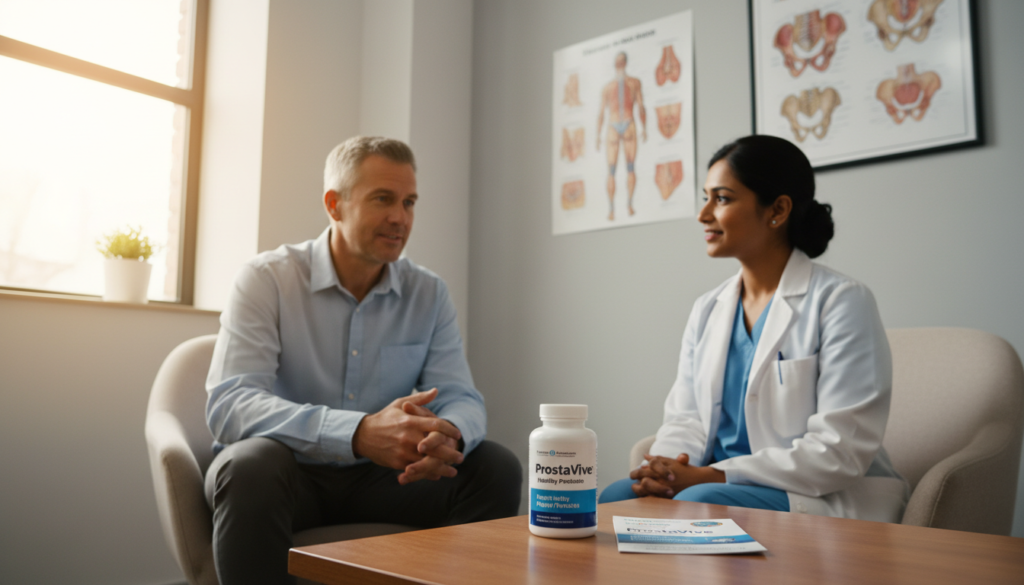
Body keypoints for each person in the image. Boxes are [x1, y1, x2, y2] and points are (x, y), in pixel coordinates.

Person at [204, 136, 522, 585]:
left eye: (409, 202)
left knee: (494, 467)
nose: (400, 217)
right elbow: (231, 405)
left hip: (385, 479)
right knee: (250, 466)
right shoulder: (266, 280)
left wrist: (446, 438)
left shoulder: (428, 293)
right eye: (383, 199)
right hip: (288, 475)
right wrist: (356, 433)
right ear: (335, 205)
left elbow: (462, 397)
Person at [599, 135, 909, 522]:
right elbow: (686, 419)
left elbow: (838, 451)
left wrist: (713, 474)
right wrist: (664, 470)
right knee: (615, 497)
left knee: (701, 498)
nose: (704, 214)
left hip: (814, 492)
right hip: (712, 484)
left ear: (777, 209)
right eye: (705, 197)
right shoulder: (708, 308)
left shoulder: (842, 300)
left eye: (723, 198)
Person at [596, 51, 647, 221]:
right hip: (614, 124)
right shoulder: (608, 87)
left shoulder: (634, 83)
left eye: (620, 62)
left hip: (627, 123)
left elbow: (641, 106)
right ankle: (611, 209)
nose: (619, 65)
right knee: (611, 170)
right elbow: (601, 113)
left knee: (630, 166)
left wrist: (644, 127)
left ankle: (629, 204)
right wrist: (597, 135)